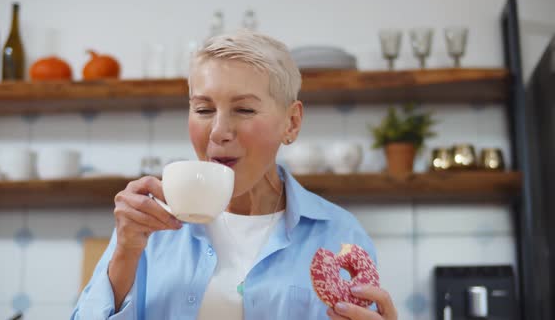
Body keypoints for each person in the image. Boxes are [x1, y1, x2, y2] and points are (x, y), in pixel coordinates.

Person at [72, 29, 398, 320]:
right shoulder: (147, 225)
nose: (219, 132)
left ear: (292, 123)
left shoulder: (341, 234)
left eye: (244, 109)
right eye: (203, 110)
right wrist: (125, 255)